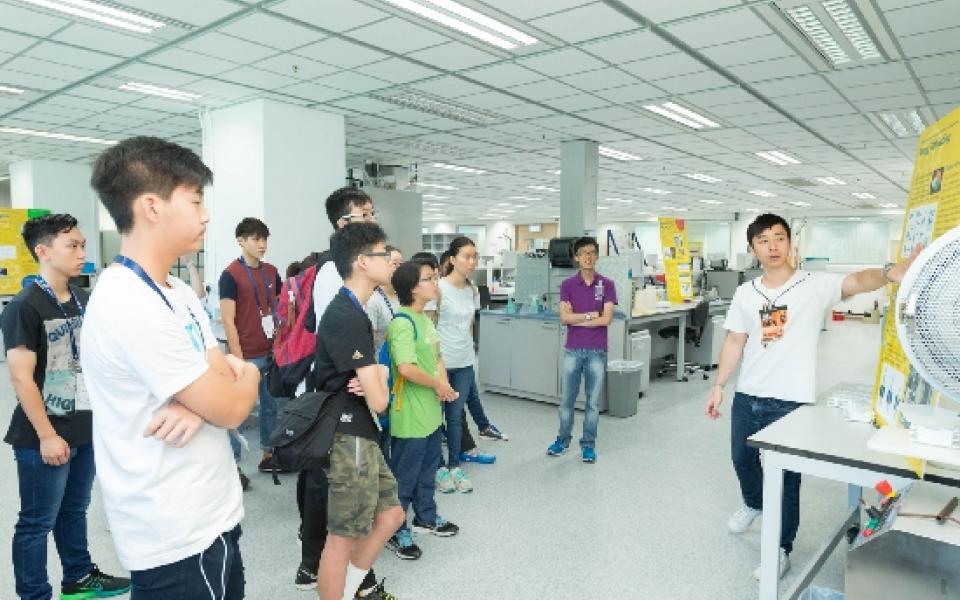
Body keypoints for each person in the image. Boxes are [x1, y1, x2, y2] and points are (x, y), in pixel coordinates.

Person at [84, 136, 260, 598]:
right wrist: (238, 385)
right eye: (196, 199)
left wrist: (203, 403)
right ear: (152, 207)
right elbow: (234, 402)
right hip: (176, 531)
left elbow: (224, 375)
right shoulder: (129, 302)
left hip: (210, 512)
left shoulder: (176, 291)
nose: (205, 215)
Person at [704, 213, 918, 581]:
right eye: (763, 240)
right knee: (742, 460)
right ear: (753, 248)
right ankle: (754, 504)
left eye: (779, 237)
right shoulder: (745, 293)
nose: (772, 246)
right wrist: (720, 385)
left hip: (789, 402)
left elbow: (856, 281)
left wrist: (888, 272)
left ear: (790, 244)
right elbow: (735, 340)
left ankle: (781, 549)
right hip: (748, 396)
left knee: (786, 481)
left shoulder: (814, 284)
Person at [2, 214, 130, 600]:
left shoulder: (84, 300)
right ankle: (34, 594)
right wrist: (46, 436)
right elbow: (22, 378)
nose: (81, 253)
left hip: (85, 426)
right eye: (72, 245)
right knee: (36, 522)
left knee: (74, 511)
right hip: (44, 432)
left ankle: (78, 577)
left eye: (83, 245)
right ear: (43, 251)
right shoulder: (24, 306)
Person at [297, 187, 397, 600]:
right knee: (340, 539)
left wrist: (378, 374)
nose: (391, 259)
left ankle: (353, 588)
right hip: (348, 435)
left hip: (362, 432)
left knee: (391, 514)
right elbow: (378, 400)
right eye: (382, 253)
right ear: (361, 262)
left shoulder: (358, 308)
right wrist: (380, 378)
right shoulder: (344, 315)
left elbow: (375, 385)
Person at [384, 261, 460, 561]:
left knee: (427, 471)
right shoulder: (401, 323)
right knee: (404, 477)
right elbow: (405, 368)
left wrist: (444, 384)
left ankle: (426, 516)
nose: (435, 283)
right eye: (429, 279)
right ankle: (396, 529)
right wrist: (437, 385)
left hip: (430, 411)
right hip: (410, 414)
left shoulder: (424, 319)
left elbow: (437, 356)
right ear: (413, 288)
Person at [434, 237, 508, 493]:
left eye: (475, 256)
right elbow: (430, 328)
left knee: (455, 418)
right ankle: (439, 467)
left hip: (465, 362)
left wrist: (470, 352)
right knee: (435, 419)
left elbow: (470, 325)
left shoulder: (473, 290)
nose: (472, 261)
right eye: (467, 256)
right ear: (452, 259)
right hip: (440, 364)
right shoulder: (437, 289)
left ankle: (454, 465)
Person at [219, 217, 283, 478]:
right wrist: (238, 358)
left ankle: (268, 454)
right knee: (239, 411)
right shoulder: (230, 274)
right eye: (256, 239)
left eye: (264, 239)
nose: (262, 244)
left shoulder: (271, 272)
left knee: (270, 406)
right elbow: (228, 320)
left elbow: (277, 311)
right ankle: (232, 463)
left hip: (270, 351)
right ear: (241, 240)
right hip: (245, 355)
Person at [547, 236, 617, 464]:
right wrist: (589, 316)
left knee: (593, 403)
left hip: (597, 351)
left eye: (592, 252)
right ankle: (563, 440)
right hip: (573, 351)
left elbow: (605, 320)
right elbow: (564, 318)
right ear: (576, 258)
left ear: (597, 256)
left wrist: (576, 319)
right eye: (583, 253)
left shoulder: (606, 284)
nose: (588, 257)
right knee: (567, 401)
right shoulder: (567, 285)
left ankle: (588, 444)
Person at [366, 245, 403, 351]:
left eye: (401, 264)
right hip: (383, 360)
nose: (399, 268)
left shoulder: (402, 296)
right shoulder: (373, 300)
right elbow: (372, 340)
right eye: (394, 264)